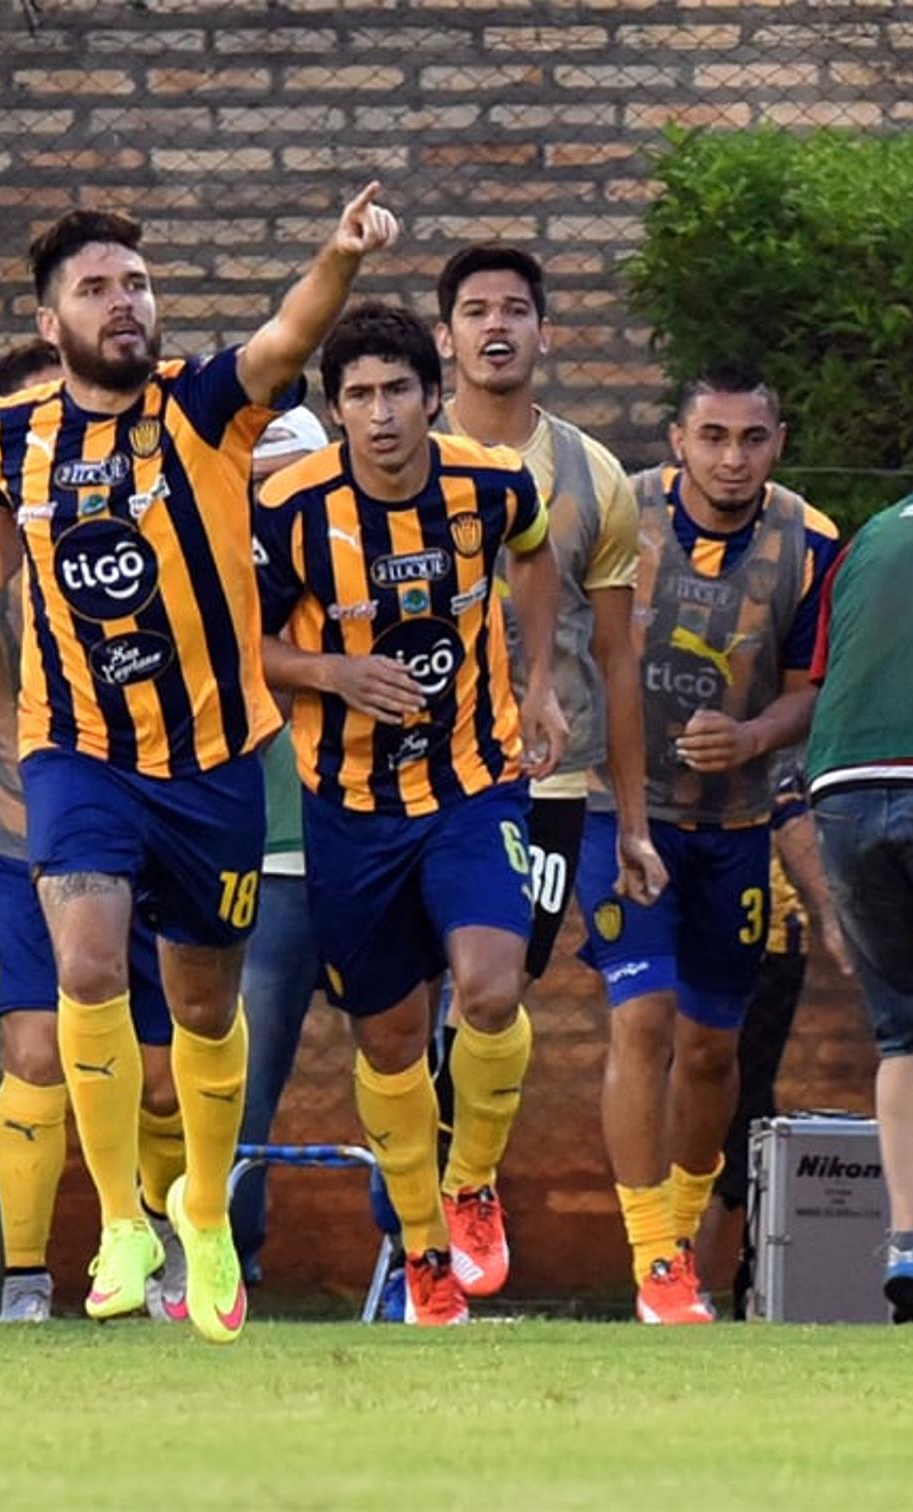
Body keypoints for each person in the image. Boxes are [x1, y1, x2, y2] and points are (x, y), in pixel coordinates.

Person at [0, 185, 400, 1344]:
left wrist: (336, 254)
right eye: (97, 290)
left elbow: (289, 334)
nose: (125, 305)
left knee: (198, 1008)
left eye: (135, 285)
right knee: (83, 965)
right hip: (77, 747)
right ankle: (124, 1218)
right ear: (50, 322)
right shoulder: (8, 439)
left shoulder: (205, 407)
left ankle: (205, 1209)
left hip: (218, 758)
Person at [255, 301, 567, 1326]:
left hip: (475, 785)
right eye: (358, 397)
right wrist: (333, 671)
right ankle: (425, 1250)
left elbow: (534, 553)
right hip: (348, 809)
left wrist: (540, 682)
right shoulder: (293, 510)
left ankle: (473, 1182)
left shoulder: (490, 482)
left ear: (433, 399)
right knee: (388, 1044)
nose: (379, 414)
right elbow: (240, 648)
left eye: (396, 391)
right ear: (335, 410)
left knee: (488, 988)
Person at [0, 340, 189, 1326]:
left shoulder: (148, 525)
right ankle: (26, 1282)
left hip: (148, 824)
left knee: (162, 1081)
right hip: (22, 839)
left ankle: (164, 1246)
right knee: (33, 1054)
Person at [426, 246, 667, 1296]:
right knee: (399, 1013)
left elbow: (615, 659)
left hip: (542, 788)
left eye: (515, 311)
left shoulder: (593, 474)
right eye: (475, 311)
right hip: (404, 780)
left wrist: (639, 821)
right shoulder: (402, 450)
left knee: (495, 990)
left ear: (543, 333)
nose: (495, 328)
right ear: (445, 337)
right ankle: (418, 1227)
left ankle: (462, 1189)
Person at [578, 364, 839, 1324]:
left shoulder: (810, 542)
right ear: (678, 441)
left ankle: (683, 1239)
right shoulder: (618, 514)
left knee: (712, 1051)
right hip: (621, 808)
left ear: (777, 442)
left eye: (752, 438)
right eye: (713, 437)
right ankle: (654, 1258)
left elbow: (814, 685)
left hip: (738, 825)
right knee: (641, 1022)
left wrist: (757, 736)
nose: (732, 457)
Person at [806, 453, 913, 1323]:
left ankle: (910, 1244)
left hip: (843, 796)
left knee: (905, 1033)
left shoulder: (873, 536)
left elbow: (829, 675)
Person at [693, 762, 852, 1312]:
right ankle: (687, 1276)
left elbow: (791, 815)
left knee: (742, 1112)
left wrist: (830, 914)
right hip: (689, 934)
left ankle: (716, 1282)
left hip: (766, 943)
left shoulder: (758, 733)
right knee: (699, 1107)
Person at [230, 405, 328, 1289]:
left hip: (381, 831)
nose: (272, 497)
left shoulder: (350, 545)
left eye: (289, 476)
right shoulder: (215, 555)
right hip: (267, 858)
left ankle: (419, 1264)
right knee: (241, 1079)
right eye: (258, 478)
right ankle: (226, 1261)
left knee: (411, 1058)